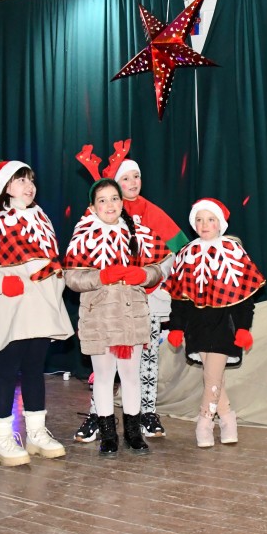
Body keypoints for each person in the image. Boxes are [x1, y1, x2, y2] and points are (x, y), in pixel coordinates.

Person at [0, 161, 74, 466]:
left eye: (31, 180)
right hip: (11, 300)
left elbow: (50, 257)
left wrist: (56, 284)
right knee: (8, 369)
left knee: (35, 368)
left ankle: (36, 433)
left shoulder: (40, 216)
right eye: (21, 180)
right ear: (6, 185)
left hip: (41, 300)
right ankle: (2, 438)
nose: (29, 186)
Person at [74, 152, 188, 442]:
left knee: (143, 365)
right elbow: (77, 268)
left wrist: (154, 276)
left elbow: (178, 249)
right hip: (103, 306)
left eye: (136, 176)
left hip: (144, 301)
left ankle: (144, 415)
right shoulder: (96, 216)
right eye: (125, 178)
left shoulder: (149, 214)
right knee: (103, 369)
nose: (133, 182)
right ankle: (98, 417)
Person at [63, 177, 166, 456]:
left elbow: (158, 268)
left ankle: (133, 433)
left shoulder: (138, 233)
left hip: (131, 314)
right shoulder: (84, 236)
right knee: (104, 376)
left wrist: (143, 274)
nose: (110, 205)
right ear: (92, 207)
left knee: (131, 375)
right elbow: (71, 277)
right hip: (99, 316)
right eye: (102, 200)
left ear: (122, 202)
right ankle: (108, 434)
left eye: (114, 198)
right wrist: (101, 276)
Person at [164, 198, 264, 447]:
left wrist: (243, 327)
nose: (204, 224)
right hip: (197, 326)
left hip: (224, 325)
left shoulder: (233, 252)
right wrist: (176, 327)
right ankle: (228, 418)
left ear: (220, 223)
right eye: (199, 220)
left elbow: (245, 297)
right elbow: (179, 298)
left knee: (211, 377)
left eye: (210, 219)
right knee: (213, 378)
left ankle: (204, 422)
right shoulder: (187, 253)